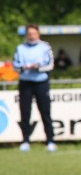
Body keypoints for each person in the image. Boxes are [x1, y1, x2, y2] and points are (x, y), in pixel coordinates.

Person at [12, 24, 57, 152]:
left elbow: (50, 65)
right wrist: (23, 67)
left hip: (41, 82)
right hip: (25, 83)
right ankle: (25, 140)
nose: (32, 36)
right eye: (29, 34)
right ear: (26, 35)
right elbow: (15, 65)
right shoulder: (20, 48)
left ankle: (50, 140)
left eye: (34, 33)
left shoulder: (45, 47)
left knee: (45, 112)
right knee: (25, 112)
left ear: (38, 34)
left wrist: (38, 67)